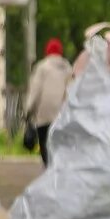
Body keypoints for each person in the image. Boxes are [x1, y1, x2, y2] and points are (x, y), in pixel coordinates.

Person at [23, 37, 72, 165]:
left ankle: (49, 171)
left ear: (47, 52)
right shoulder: (67, 68)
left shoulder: (42, 67)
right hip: (62, 116)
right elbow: (72, 90)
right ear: (60, 52)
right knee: (59, 148)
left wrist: (28, 110)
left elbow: (35, 91)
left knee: (45, 146)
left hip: (44, 115)